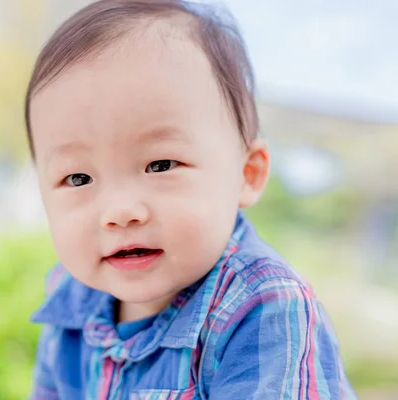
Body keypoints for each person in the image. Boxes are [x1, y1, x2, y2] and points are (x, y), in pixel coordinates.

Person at [24, 1, 357, 398]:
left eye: (161, 164)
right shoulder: (71, 299)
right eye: (78, 177)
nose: (120, 212)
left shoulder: (263, 308)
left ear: (246, 174)